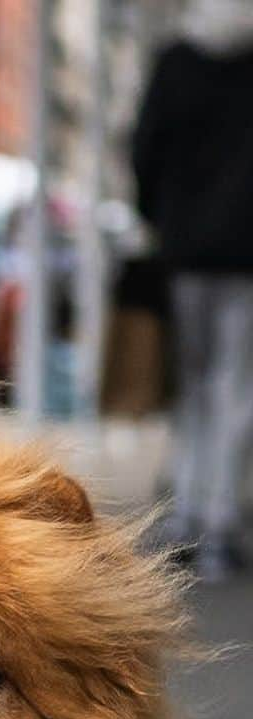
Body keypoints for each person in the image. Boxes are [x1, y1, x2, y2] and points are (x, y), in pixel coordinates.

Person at [133, 0, 253, 580]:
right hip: (246, 254)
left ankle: (184, 511)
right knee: (235, 387)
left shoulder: (175, 61)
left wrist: (160, 218)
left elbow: (145, 149)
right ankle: (221, 523)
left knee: (192, 385)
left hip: (185, 251)